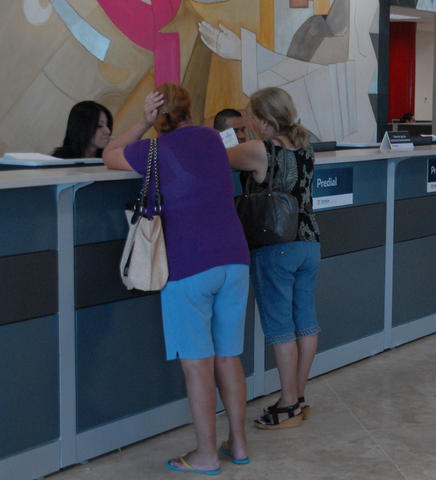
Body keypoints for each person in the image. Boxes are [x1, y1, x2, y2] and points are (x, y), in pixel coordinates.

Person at [103, 83, 251, 475]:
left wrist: (142, 122)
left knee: (197, 364)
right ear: (190, 109)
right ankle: (238, 444)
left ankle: (205, 455)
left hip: (189, 265)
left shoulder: (152, 150)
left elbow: (109, 154)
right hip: (235, 258)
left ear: (159, 115)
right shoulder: (212, 139)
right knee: (228, 356)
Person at [226, 87, 321, 429]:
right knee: (305, 322)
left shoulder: (259, 150)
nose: (248, 124)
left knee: (280, 328)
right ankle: (297, 397)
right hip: (310, 243)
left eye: (250, 118)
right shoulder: (305, 146)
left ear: (264, 120)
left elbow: (215, 156)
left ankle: (288, 404)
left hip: (276, 246)